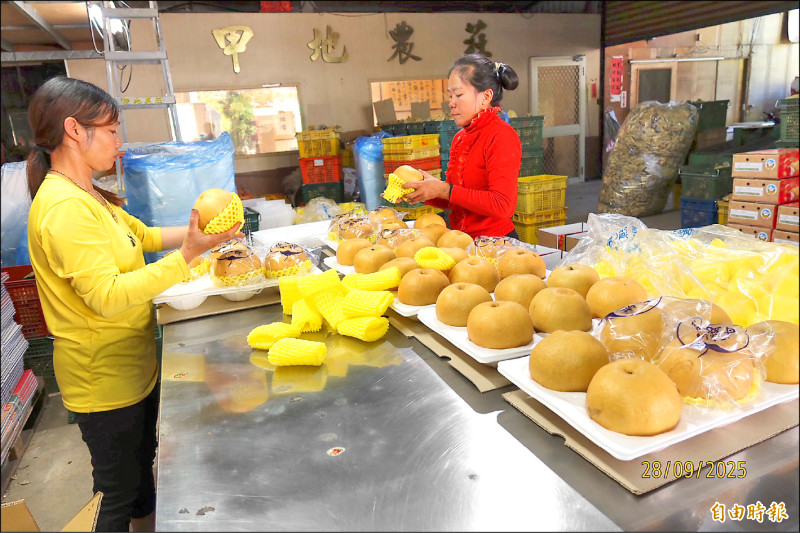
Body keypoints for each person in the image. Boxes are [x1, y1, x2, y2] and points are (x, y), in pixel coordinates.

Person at [25, 76, 242, 532]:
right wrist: (186, 257)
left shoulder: (88, 195)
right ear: (74, 130)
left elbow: (142, 236)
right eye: (110, 130)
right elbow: (105, 296)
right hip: (103, 379)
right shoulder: (64, 208)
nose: (119, 142)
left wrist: (206, 235)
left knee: (141, 480)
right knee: (116, 494)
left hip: (131, 366)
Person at [404, 54, 522, 239]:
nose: (451, 103)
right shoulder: (460, 138)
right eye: (450, 96)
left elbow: (502, 205)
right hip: (461, 240)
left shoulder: (501, 135)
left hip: (495, 243)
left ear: (486, 96)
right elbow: (457, 199)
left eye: (459, 95)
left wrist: (443, 189)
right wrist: (424, 191)